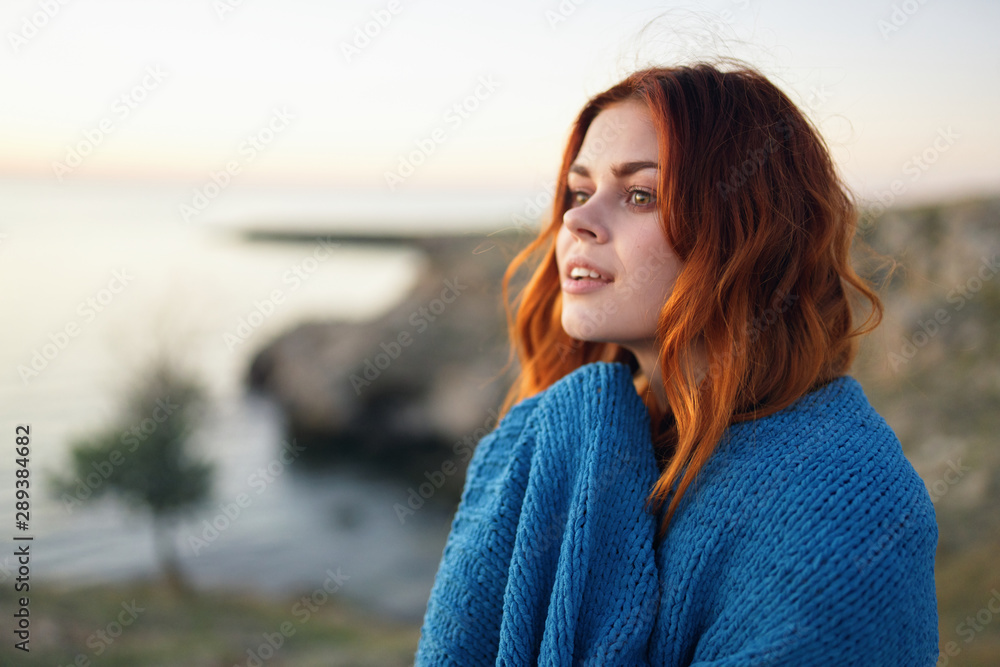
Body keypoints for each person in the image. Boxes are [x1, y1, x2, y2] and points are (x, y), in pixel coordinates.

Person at [415, 61, 939, 666]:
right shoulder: (577, 437)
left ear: (748, 232)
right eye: (580, 192)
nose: (575, 220)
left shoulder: (848, 506)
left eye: (640, 195)